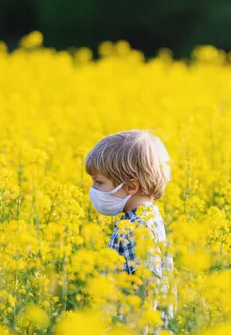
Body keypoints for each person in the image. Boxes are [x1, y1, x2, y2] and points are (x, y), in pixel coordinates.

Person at [85, 129, 175, 333]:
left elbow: (147, 286)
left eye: (99, 182)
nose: (93, 189)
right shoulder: (151, 218)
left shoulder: (137, 227)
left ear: (131, 187)